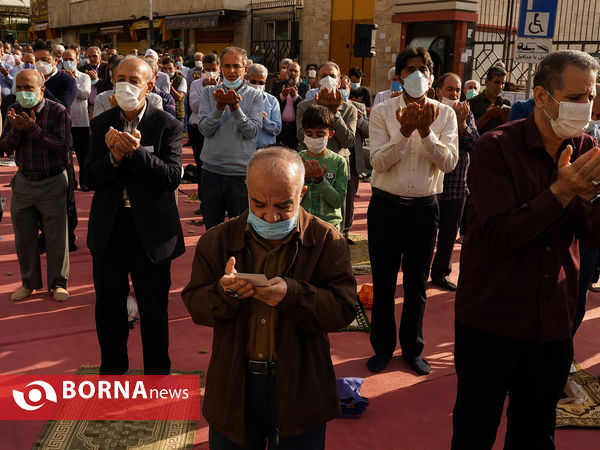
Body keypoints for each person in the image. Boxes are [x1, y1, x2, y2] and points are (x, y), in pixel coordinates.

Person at [452, 50, 600, 448]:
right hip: (491, 319)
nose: (585, 107)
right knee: (474, 430)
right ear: (541, 97)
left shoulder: (587, 148)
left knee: (535, 433)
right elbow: (501, 235)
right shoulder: (495, 149)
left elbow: (593, 240)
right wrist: (561, 191)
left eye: (590, 97)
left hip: (551, 322)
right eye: (575, 97)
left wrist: (589, 202)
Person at [181, 147, 357, 449]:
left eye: (283, 206)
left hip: (299, 386)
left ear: (301, 193)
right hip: (236, 386)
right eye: (259, 204)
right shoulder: (218, 240)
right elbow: (196, 305)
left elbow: (343, 309)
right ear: (247, 189)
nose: (270, 217)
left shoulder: (327, 241)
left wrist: (292, 294)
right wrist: (223, 293)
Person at [81, 57, 185, 375]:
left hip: (151, 232)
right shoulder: (102, 124)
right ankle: (113, 370)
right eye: (120, 78)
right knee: (109, 309)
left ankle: (156, 374)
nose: (126, 85)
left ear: (150, 86)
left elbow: (171, 177)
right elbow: (87, 179)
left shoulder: (167, 125)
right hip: (110, 229)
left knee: (153, 308)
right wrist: (113, 156)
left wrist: (136, 153)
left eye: (134, 80)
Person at [366, 46, 458, 375]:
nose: (417, 74)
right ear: (399, 76)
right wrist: (405, 132)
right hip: (385, 207)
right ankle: (382, 347)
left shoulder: (444, 114)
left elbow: (449, 163)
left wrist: (426, 132)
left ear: (432, 77)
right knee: (384, 280)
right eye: (409, 69)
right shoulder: (382, 111)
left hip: (424, 208)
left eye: (423, 69)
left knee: (417, 283)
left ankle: (412, 349)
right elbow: (376, 161)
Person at [2, 69, 71, 302]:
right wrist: (16, 129)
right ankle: (29, 283)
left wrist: (31, 129)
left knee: (55, 237)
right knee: (23, 236)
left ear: (41, 89)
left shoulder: (57, 111)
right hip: (23, 181)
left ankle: (58, 284)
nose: (23, 93)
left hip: (52, 181)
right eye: (18, 88)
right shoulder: (12, 110)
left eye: (28, 88)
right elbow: (5, 147)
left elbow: (62, 147)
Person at [197, 46, 263, 229]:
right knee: (212, 230)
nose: (231, 71)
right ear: (220, 68)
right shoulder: (209, 92)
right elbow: (204, 129)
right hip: (211, 173)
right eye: (226, 66)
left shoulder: (256, 95)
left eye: (236, 66)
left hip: (240, 175)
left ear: (245, 69)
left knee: (240, 231)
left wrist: (235, 108)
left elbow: (252, 131)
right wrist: (219, 108)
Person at [430, 73, 479, 291]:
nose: (454, 94)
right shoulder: (431, 110)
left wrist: (461, 124)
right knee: (426, 233)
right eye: (450, 89)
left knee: (449, 234)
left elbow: (476, 145)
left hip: (456, 183)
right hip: (430, 183)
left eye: (458, 90)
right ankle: (419, 270)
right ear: (439, 90)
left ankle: (441, 273)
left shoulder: (465, 113)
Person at [299, 104, 348, 229]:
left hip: (329, 226)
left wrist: (321, 180)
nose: (314, 138)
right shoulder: (297, 159)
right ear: (303, 132)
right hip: (303, 224)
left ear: (330, 134)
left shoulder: (339, 162)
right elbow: (291, 198)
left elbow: (337, 202)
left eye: (320, 134)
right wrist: (306, 179)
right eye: (309, 133)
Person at [296, 62, 357, 153]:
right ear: (316, 82)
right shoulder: (303, 106)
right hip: (309, 159)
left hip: (337, 162)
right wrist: (320, 109)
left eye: (332, 76)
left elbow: (348, 142)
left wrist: (335, 113)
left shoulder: (350, 109)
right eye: (323, 76)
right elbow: (301, 137)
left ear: (339, 83)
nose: (328, 79)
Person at [188, 53, 221, 214]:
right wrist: (208, 90)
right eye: (207, 70)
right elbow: (194, 106)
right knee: (202, 166)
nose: (210, 73)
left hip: (217, 129)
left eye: (213, 69)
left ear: (219, 69)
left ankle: (220, 203)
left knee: (217, 166)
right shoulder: (195, 84)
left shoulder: (225, 85)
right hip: (197, 129)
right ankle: (204, 203)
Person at [61, 48, 91, 185]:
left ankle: (85, 181)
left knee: (83, 155)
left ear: (77, 59)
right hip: (64, 122)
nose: (68, 62)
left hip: (81, 122)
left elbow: (85, 95)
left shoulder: (84, 77)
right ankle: (71, 182)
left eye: (70, 59)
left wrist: (72, 81)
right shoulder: (59, 77)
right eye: (65, 59)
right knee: (66, 156)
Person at [272, 61, 308, 149]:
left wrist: (296, 97)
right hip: (280, 127)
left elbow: (306, 107)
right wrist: (282, 96)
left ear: (299, 73)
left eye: (295, 71)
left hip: (295, 128)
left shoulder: (304, 87)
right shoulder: (277, 85)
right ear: (287, 71)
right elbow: (272, 103)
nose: (293, 73)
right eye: (291, 70)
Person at [467, 64, 511, 135]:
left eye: (503, 83)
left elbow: (510, 131)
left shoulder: (506, 103)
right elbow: (468, 131)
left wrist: (507, 121)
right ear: (487, 82)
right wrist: (487, 116)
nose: (500, 86)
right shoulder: (472, 103)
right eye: (496, 82)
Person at [248, 63, 282, 149]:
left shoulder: (272, 101)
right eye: (253, 82)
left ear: (265, 82)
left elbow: (277, 129)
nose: (257, 85)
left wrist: (264, 120)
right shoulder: (240, 99)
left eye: (261, 82)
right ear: (247, 80)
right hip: (245, 150)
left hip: (266, 150)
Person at [162, 57, 187, 123]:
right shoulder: (160, 79)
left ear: (175, 68)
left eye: (170, 68)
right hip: (163, 113)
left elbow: (179, 97)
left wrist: (170, 86)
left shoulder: (181, 79)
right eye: (165, 69)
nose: (167, 71)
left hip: (177, 114)